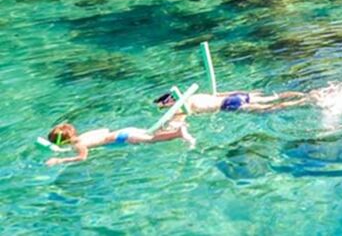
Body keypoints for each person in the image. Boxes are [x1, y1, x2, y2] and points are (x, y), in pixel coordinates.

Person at [44, 119, 195, 166]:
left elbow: (82, 157)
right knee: (150, 133)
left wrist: (60, 160)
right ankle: (173, 126)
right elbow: (104, 130)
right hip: (122, 130)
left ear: (62, 142)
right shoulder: (83, 136)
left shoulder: (78, 145)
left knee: (152, 139)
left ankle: (178, 133)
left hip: (122, 137)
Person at [153, 89, 311, 114]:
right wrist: (247, 92)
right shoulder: (193, 96)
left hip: (229, 104)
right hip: (235, 96)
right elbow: (218, 93)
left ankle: (303, 102)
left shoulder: (183, 106)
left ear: (169, 102)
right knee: (274, 97)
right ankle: (306, 94)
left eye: (163, 107)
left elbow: (180, 119)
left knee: (269, 108)